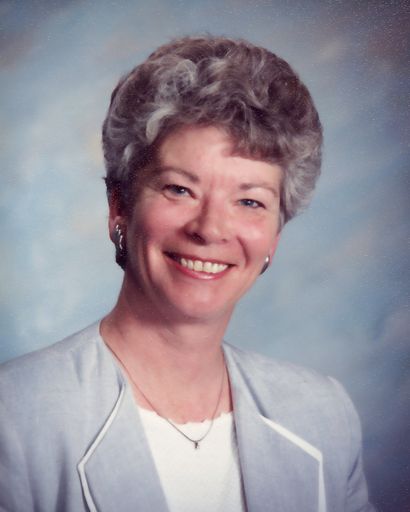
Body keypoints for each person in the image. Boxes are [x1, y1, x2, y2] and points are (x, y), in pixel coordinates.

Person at [0, 36, 374, 512]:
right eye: (179, 189)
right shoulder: (15, 416)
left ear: (275, 235)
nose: (210, 229)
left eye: (250, 201)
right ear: (119, 207)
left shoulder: (323, 416)